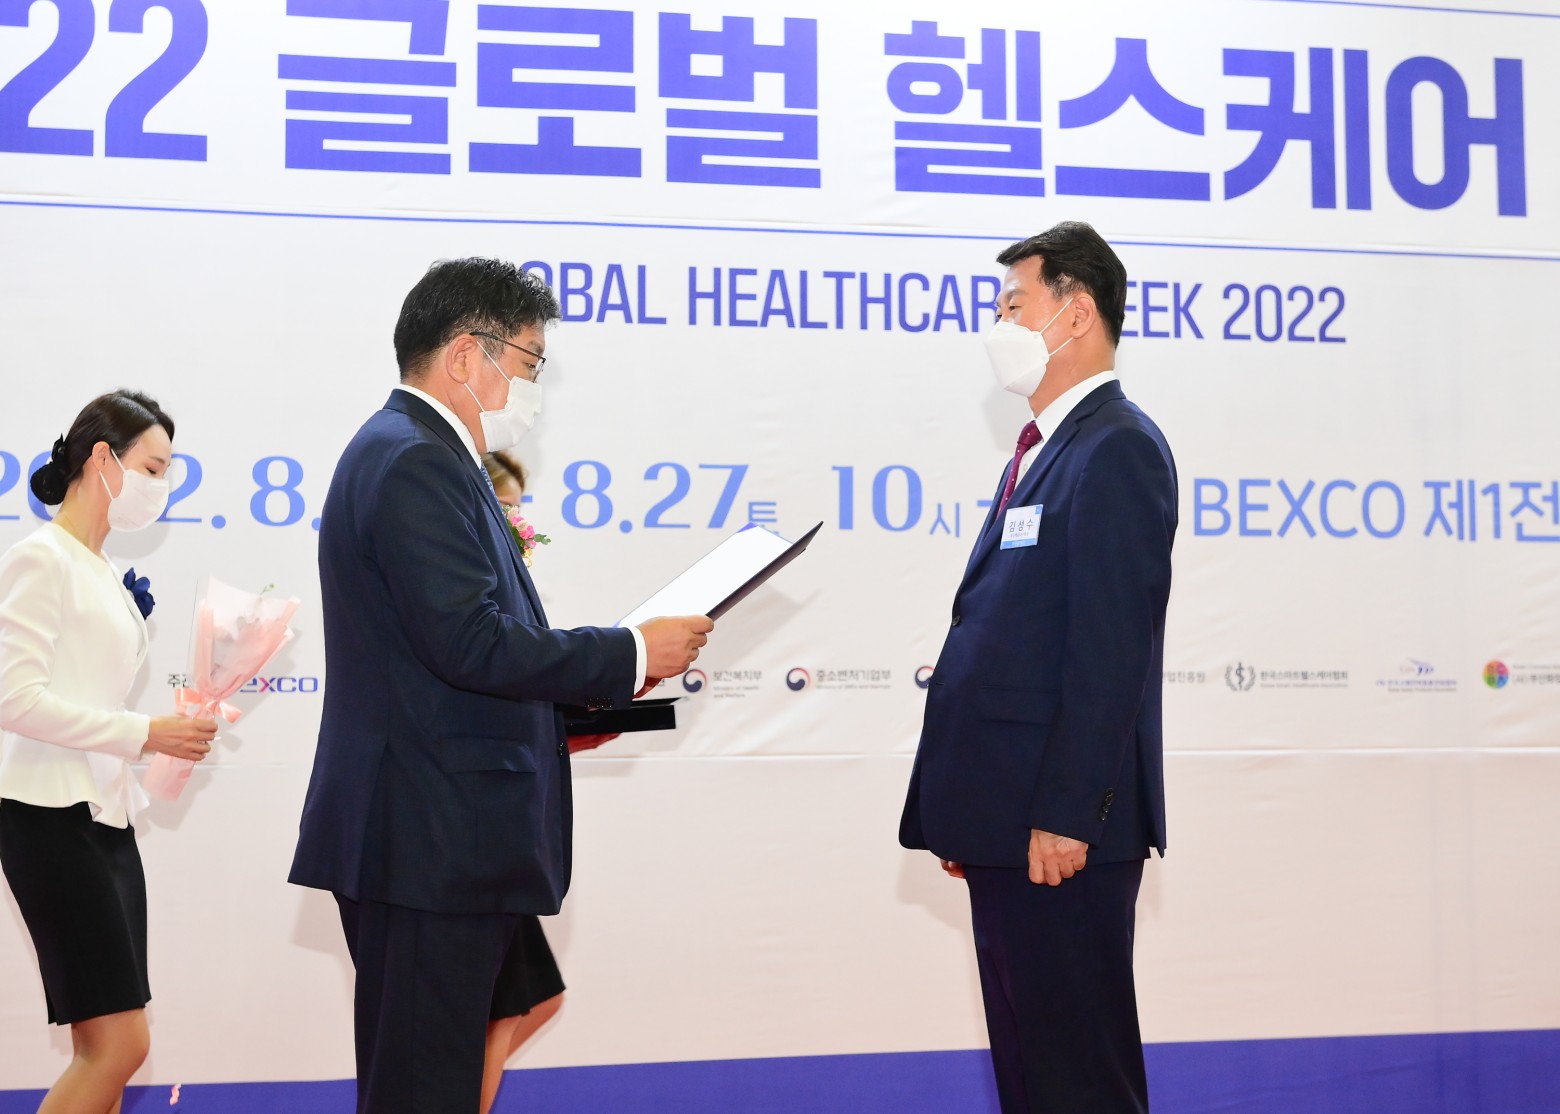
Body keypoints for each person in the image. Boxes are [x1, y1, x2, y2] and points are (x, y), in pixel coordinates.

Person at [289, 258, 712, 1114]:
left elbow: (438, 657)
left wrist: (566, 717)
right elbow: (470, 642)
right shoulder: (414, 460)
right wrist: (631, 651)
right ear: (464, 356)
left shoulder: (419, 452)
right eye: (528, 363)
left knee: (429, 1080)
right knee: (422, 1090)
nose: (533, 389)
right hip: (427, 837)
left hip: (433, 831)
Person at [899, 222, 1178, 1114]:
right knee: (1032, 1076)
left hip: (1060, 836)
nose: (999, 324)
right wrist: (974, 811)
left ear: (1076, 312)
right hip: (1008, 825)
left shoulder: (1116, 447)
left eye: (1014, 304)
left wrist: (1065, 814)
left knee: (1078, 1079)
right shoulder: (1044, 449)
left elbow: (1110, 653)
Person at [0, 391, 218, 1114]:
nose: (162, 487)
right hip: (47, 814)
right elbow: (14, 700)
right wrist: (143, 733)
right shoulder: (41, 559)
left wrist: (157, 738)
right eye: (153, 469)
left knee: (109, 1048)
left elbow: (87, 693)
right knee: (119, 1046)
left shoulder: (98, 568)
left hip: (103, 816)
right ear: (102, 459)